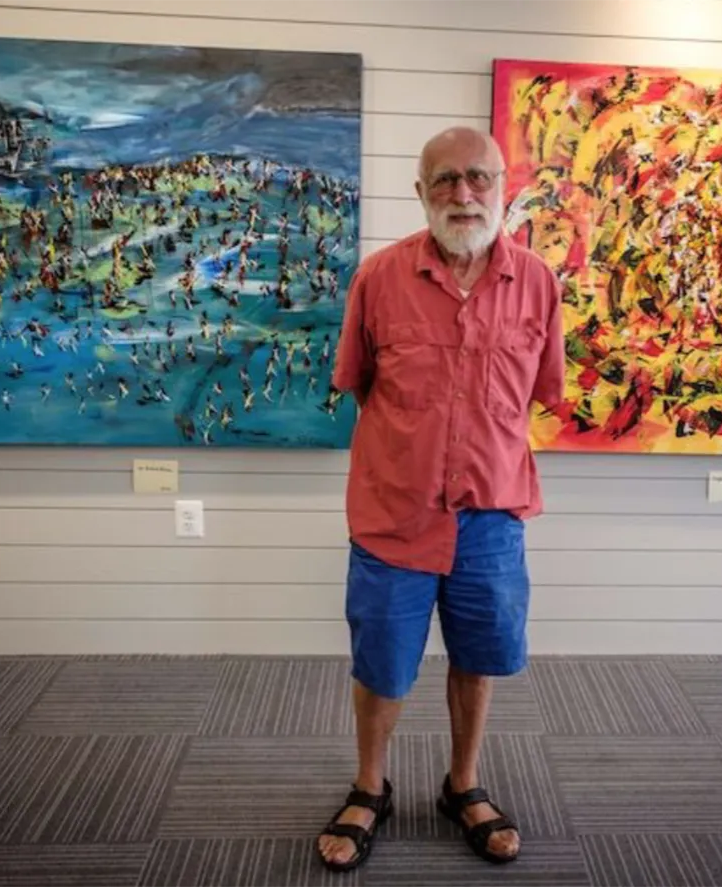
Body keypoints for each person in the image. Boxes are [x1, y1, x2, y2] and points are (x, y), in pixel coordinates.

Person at [316, 126, 565, 872]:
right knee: (383, 664)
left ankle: (463, 783)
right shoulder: (379, 278)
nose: (464, 194)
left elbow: (540, 393)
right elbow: (360, 382)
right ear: (420, 192)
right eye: (446, 180)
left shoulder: (540, 282)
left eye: (479, 179)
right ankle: (369, 785)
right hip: (395, 511)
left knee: (478, 655)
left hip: (491, 512)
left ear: (502, 187)